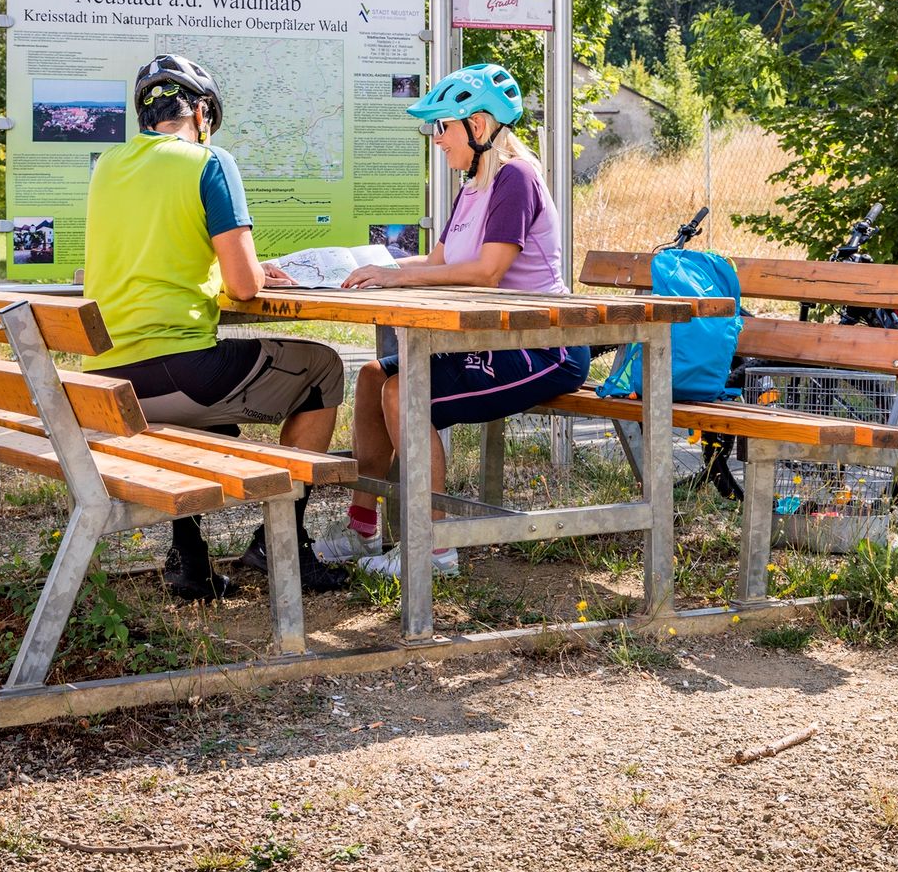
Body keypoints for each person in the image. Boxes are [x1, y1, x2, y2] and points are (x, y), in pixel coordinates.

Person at [84, 53, 350, 600]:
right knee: (323, 366)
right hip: (178, 373)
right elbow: (245, 286)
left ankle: (190, 560)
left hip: (108, 381)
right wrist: (256, 275)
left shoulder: (107, 166)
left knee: (213, 414)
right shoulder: (209, 162)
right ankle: (284, 544)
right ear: (201, 111)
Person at [313, 63, 588, 578]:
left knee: (403, 392)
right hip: (492, 342)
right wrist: (359, 268)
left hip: (543, 348)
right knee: (375, 378)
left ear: (478, 127)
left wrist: (396, 280)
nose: (436, 141)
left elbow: (488, 271)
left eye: (442, 128)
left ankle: (434, 549)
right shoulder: (473, 186)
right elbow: (439, 263)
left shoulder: (516, 177)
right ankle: (362, 528)